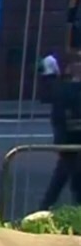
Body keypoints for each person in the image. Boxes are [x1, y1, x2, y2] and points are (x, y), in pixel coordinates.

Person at [41, 54, 81, 209]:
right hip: (70, 141)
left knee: (63, 177)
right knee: (66, 177)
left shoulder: (63, 89)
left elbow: (57, 117)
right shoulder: (65, 90)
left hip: (68, 142)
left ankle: (45, 206)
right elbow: (58, 117)